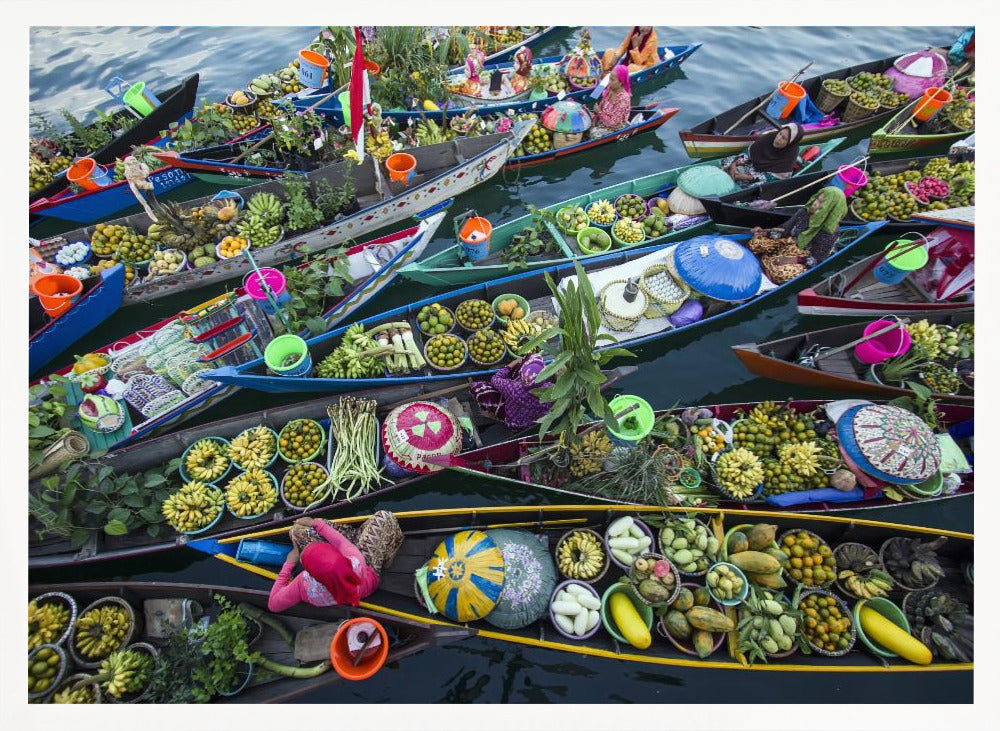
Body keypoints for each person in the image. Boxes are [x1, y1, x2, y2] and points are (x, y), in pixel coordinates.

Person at [267, 512, 402, 612]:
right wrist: (316, 523)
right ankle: (389, 551)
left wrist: (289, 564)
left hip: (348, 585)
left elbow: (273, 605)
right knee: (384, 517)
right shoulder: (355, 563)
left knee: (296, 531)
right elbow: (341, 543)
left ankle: (360, 536)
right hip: (368, 573)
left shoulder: (305, 585)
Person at [470, 353, 554, 431]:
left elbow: (495, 379)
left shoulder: (514, 389)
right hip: (531, 423)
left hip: (513, 421)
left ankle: (497, 417)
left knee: (478, 388)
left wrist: (512, 364)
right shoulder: (550, 390)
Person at [771, 185, 847, 263]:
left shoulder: (830, 231)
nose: (815, 203)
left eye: (821, 203)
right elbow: (785, 229)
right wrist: (767, 232)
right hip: (785, 248)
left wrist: (791, 260)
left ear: (830, 209)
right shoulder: (805, 212)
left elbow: (816, 260)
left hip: (800, 263)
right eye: (817, 199)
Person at [722, 123, 804, 185]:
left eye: (784, 138)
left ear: (790, 143)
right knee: (727, 161)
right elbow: (749, 153)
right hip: (752, 164)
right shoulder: (770, 137)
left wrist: (748, 177)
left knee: (754, 186)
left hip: (761, 176)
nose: (778, 138)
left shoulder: (790, 156)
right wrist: (734, 164)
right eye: (780, 133)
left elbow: (772, 179)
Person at [589, 65, 633, 138]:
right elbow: (601, 106)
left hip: (614, 128)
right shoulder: (610, 89)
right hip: (602, 122)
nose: (609, 82)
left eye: (612, 80)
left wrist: (599, 112)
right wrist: (594, 117)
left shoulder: (623, 99)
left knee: (593, 134)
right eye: (609, 79)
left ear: (621, 82)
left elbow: (614, 123)